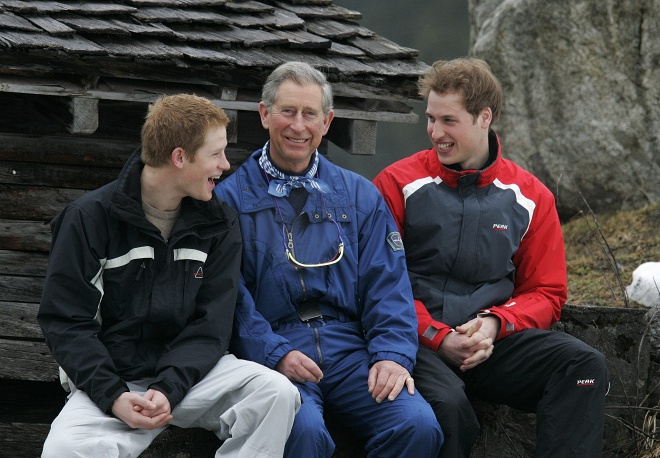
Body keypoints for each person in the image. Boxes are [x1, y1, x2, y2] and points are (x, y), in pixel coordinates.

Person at [38, 94, 300, 458]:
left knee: (276, 393)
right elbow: (66, 323)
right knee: (64, 449)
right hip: (114, 380)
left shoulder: (219, 222)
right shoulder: (87, 219)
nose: (225, 165)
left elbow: (212, 325)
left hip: (192, 376)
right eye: (216, 154)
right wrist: (113, 396)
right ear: (179, 157)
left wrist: (169, 388)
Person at [373, 57, 609, 458]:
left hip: (488, 345)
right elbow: (378, 283)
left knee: (582, 366)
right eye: (430, 118)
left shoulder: (531, 196)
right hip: (414, 341)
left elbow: (547, 291)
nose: (435, 132)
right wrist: (437, 335)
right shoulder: (396, 183)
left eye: (449, 121)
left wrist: (496, 323)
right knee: (449, 409)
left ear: (484, 117)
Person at [215, 61, 443, 457]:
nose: (298, 126)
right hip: (276, 352)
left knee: (417, 425)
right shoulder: (229, 200)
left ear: (328, 121)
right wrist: (273, 351)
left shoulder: (360, 196)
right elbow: (227, 296)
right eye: (287, 111)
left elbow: (388, 284)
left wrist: (391, 354)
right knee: (302, 431)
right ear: (265, 114)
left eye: (310, 114)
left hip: (350, 347)